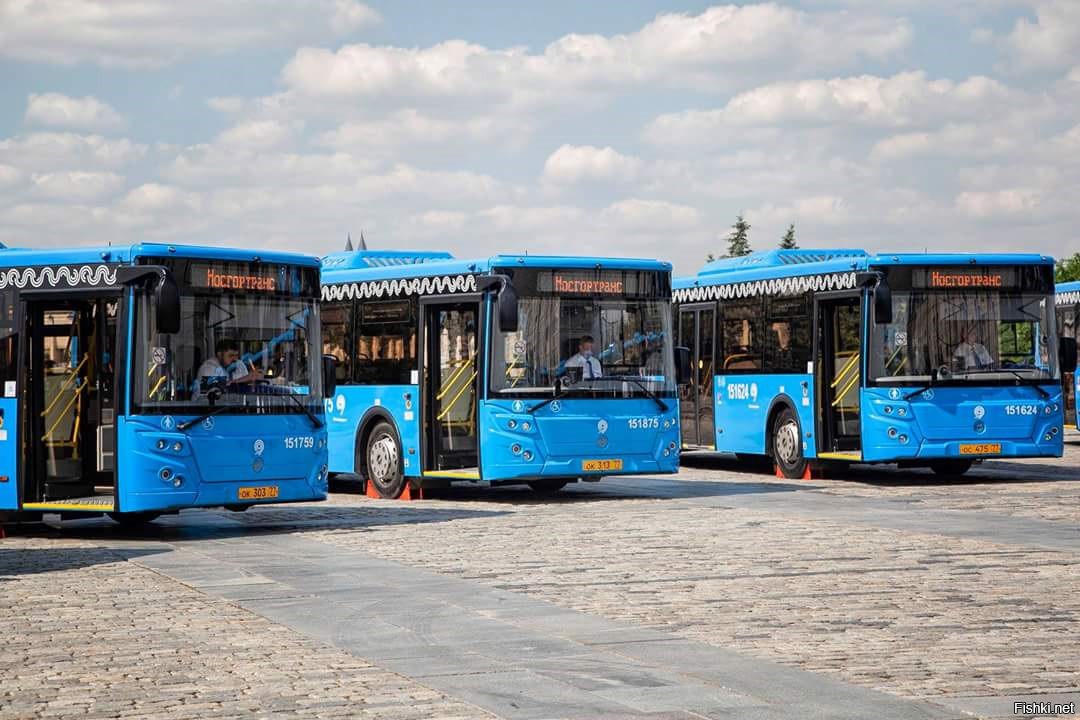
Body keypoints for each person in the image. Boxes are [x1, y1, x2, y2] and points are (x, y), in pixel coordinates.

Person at [197, 338, 263, 386]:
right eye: (231, 355)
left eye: (236, 355)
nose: (235, 359)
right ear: (219, 354)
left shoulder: (239, 364)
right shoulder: (207, 368)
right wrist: (242, 380)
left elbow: (247, 384)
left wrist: (255, 378)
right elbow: (215, 389)